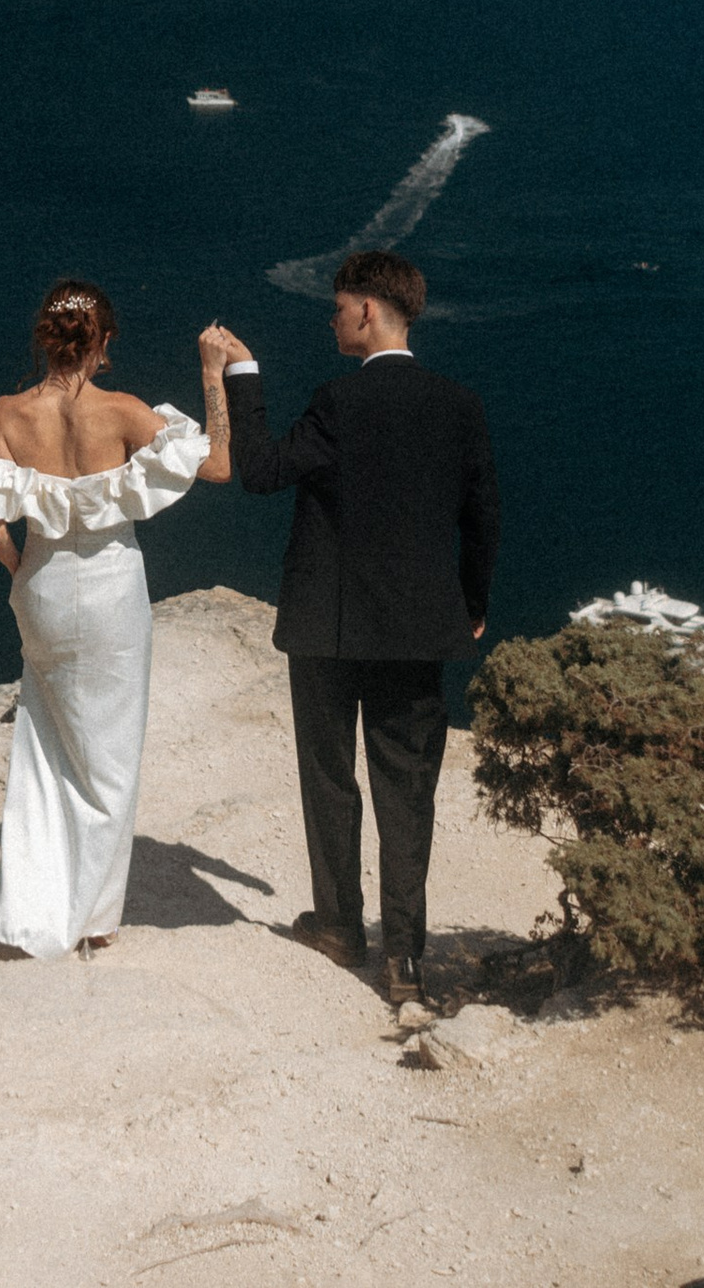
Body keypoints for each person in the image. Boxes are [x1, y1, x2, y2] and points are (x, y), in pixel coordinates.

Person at [206, 249, 499, 1006]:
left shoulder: (337, 403)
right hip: (418, 633)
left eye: (337, 307)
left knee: (330, 782)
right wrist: (471, 605)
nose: (331, 318)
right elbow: (482, 521)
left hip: (328, 632)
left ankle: (339, 926)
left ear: (368, 310)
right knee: (408, 792)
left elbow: (263, 470)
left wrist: (244, 373)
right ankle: (404, 960)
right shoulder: (460, 405)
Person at [0, 280, 233, 958]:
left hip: (44, 585)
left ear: (45, 338)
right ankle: (94, 921)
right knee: (109, 760)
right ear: (105, 342)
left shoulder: (6, 414)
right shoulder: (123, 413)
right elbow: (219, 465)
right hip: (111, 589)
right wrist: (211, 374)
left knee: (47, 749)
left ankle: (34, 912)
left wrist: (25, 577)